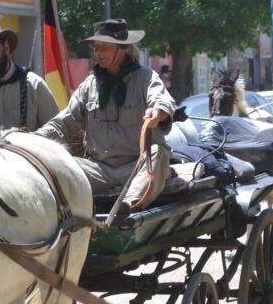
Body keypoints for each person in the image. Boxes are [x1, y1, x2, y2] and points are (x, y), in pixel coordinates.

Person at [36, 18, 175, 214]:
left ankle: (125, 208)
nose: (98, 53)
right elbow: (63, 124)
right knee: (58, 166)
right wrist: (33, 140)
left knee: (159, 154)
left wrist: (156, 113)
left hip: (136, 168)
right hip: (98, 171)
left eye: (105, 48)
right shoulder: (89, 85)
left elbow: (163, 102)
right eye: (96, 48)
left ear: (124, 49)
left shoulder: (146, 78)